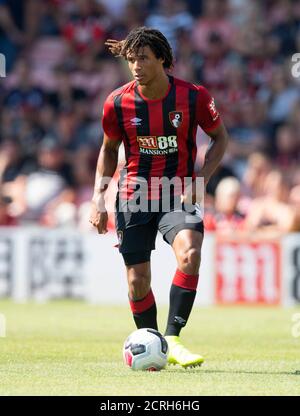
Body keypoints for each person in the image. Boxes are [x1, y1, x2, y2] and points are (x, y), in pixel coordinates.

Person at [89, 27, 228, 368]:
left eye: (144, 58)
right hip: (134, 194)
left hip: (179, 192)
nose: (136, 66)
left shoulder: (193, 97)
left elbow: (220, 138)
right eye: (132, 59)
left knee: (190, 253)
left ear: (163, 60)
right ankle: (153, 345)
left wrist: (202, 179)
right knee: (138, 281)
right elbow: (108, 150)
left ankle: (174, 337)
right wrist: (98, 198)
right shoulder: (117, 102)